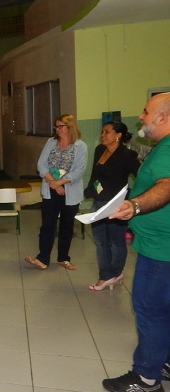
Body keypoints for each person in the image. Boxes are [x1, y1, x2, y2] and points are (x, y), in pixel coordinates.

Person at [102, 93, 170, 392]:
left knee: (150, 308)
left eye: (146, 111)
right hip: (162, 243)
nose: (141, 117)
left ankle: (146, 378)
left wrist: (136, 206)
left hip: (161, 248)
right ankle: (164, 362)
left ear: (163, 117)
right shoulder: (163, 147)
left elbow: (166, 186)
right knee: (164, 308)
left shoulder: (168, 149)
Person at [24, 114, 88, 270]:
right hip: (50, 188)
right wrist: (53, 183)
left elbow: (79, 171)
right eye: (56, 126)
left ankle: (63, 258)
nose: (57, 129)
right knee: (47, 225)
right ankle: (43, 258)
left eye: (60, 126)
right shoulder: (51, 142)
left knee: (67, 225)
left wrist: (59, 183)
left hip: (70, 191)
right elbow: (41, 165)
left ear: (70, 127)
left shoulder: (80, 146)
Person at [84, 121, 140, 291]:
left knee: (116, 241)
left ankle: (116, 272)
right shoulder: (99, 150)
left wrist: (133, 200)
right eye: (102, 131)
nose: (103, 135)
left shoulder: (127, 155)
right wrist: (89, 189)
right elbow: (95, 174)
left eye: (107, 132)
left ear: (118, 135)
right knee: (100, 241)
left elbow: (141, 176)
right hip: (98, 202)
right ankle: (105, 275)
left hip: (116, 206)